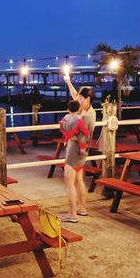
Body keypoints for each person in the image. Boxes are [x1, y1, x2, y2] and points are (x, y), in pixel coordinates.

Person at [59, 75, 96, 223]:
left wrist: (69, 136)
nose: (77, 101)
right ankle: (82, 208)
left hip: (75, 151)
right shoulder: (89, 111)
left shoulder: (85, 116)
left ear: (87, 99)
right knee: (79, 180)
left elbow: (81, 135)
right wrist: (68, 82)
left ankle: (72, 214)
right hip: (83, 151)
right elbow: (75, 95)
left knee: (68, 182)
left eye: (81, 99)